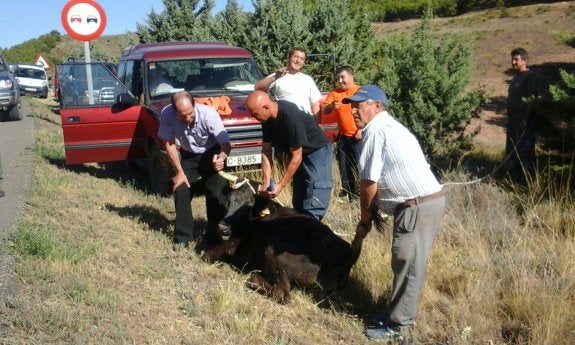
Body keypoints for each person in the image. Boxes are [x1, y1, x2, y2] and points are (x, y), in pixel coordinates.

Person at [342, 85, 446, 342]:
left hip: (417, 206)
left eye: (359, 104)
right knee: (404, 262)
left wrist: (365, 218)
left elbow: (368, 183)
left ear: (377, 105)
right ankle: (395, 314)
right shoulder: (388, 128)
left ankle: (400, 327)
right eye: (352, 105)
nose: (354, 110)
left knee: (408, 265)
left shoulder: (377, 131)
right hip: (419, 205)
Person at [157, 91, 231, 248]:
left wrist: (222, 157)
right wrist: (179, 173)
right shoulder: (167, 114)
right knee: (181, 188)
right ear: (174, 110)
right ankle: (183, 237)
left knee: (217, 191)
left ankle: (214, 236)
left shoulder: (209, 114)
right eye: (182, 115)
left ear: (194, 105)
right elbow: (169, 144)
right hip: (188, 154)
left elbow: (225, 144)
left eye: (190, 114)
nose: (187, 118)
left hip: (212, 153)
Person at [245, 90, 333, 221]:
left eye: (255, 114)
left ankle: (312, 226)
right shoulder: (266, 119)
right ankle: (299, 223)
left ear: (266, 107)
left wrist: (281, 185)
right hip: (297, 153)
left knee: (314, 191)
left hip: (316, 150)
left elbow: (297, 156)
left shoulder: (290, 117)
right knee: (300, 193)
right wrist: (266, 180)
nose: (253, 117)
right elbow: (266, 150)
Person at [322, 66, 361, 202]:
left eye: (343, 77)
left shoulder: (359, 91)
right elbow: (324, 111)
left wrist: (361, 130)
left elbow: (369, 113)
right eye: (338, 77)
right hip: (343, 135)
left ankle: (362, 193)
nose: (340, 80)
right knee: (344, 165)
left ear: (351, 76)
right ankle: (347, 193)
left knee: (360, 165)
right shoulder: (335, 93)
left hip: (358, 135)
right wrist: (331, 106)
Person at [254, 47, 323, 120]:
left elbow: (315, 104)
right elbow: (257, 87)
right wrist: (275, 77)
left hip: (306, 122)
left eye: (302, 59)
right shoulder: (278, 75)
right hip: (286, 122)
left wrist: (317, 124)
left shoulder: (307, 79)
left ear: (303, 63)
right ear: (289, 58)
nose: (298, 60)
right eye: (296, 57)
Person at [505, 47, 539, 185]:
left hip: (524, 122)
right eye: (512, 59)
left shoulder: (530, 76)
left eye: (516, 59)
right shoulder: (516, 77)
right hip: (513, 121)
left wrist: (525, 119)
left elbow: (532, 99)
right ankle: (515, 182)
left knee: (525, 153)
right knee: (512, 152)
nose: (513, 62)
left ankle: (529, 184)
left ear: (525, 60)